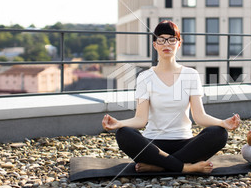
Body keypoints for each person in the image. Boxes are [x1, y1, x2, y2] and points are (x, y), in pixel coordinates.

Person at [102, 20, 240, 174]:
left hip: (184, 143)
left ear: (178, 44)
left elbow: (199, 117)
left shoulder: (191, 75)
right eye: (161, 40)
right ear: (155, 45)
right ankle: (185, 167)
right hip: (153, 143)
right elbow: (140, 120)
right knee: (124, 134)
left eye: (172, 40)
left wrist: (223, 123)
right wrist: (119, 124)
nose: (166, 44)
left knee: (219, 133)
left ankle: (159, 166)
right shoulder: (145, 77)